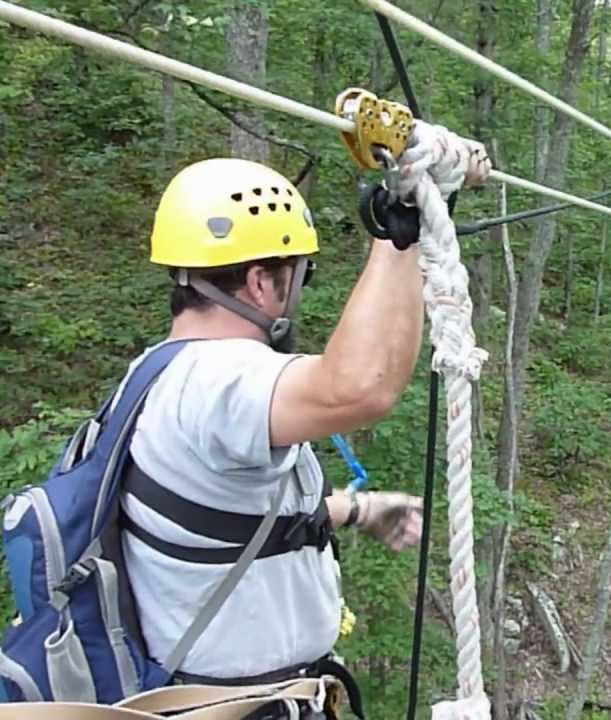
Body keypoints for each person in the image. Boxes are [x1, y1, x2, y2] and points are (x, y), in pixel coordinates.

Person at [117, 157, 426, 685]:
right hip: (242, 707)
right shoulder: (219, 380)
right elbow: (363, 387)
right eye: (302, 275)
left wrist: (358, 509)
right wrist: (398, 234)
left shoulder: (157, 372)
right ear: (261, 283)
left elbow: (224, 520)